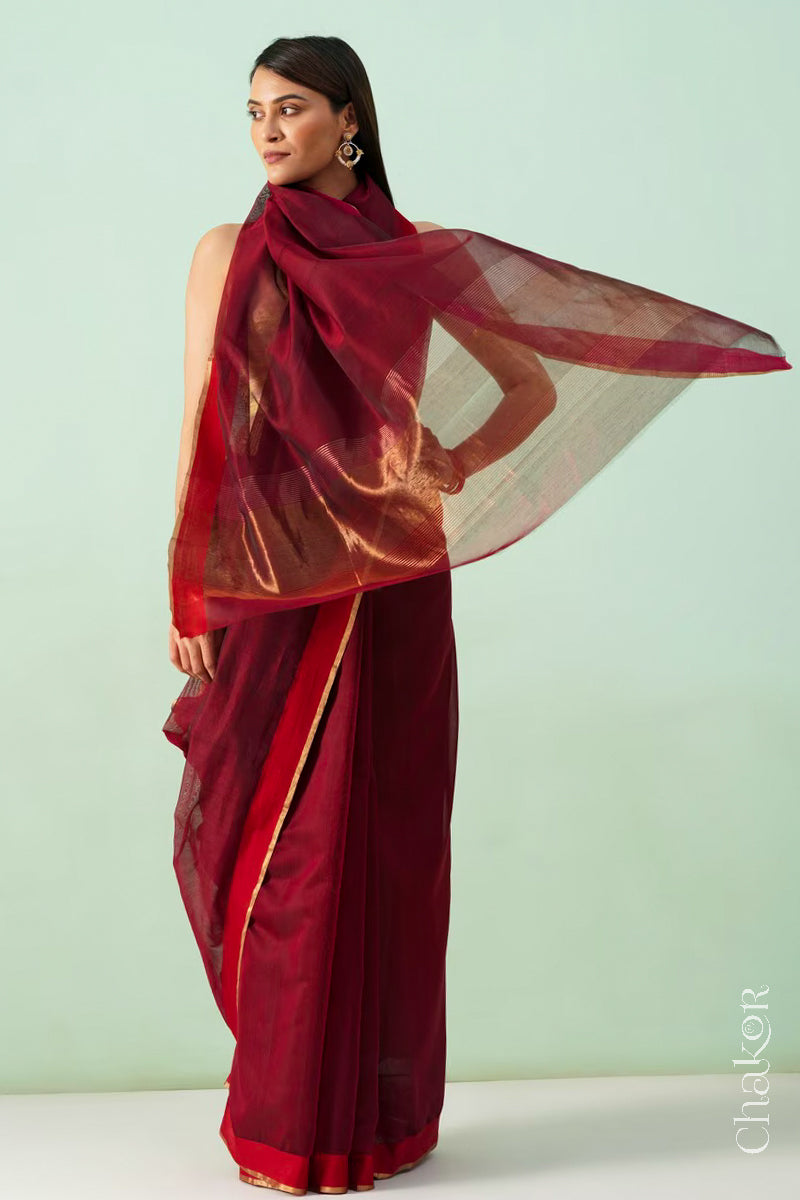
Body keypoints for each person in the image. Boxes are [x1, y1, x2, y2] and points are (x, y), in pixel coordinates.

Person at [164, 35, 790, 1194]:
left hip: (389, 589)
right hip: (266, 579)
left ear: (347, 121)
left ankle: (361, 1130)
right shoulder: (222, 251)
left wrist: (438, 464)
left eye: (289, 109)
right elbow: (203, 420)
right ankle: (285, 1120)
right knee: (284, 844)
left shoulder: (409, 257)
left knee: (372, 842)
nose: (263, 130)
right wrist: (183, 579)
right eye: (251, 109)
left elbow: (531, 388)